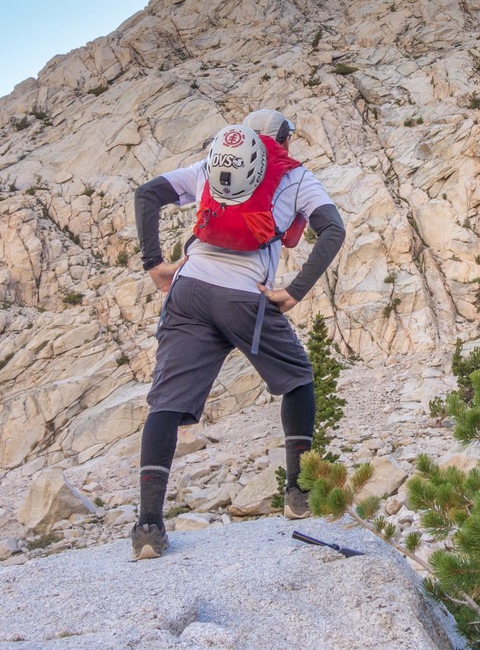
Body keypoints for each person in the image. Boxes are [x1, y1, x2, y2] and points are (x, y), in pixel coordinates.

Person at [128, 107, 346, 559]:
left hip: (188, 291)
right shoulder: (297, 177)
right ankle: (297, 494)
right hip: (246, 298)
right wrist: (294, 292)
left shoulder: (212, 164)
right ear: (283, 140)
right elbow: (332, 231)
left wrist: (154, 266)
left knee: (166, 404)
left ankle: (148, 525)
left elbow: (148, 194)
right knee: (298, 380)